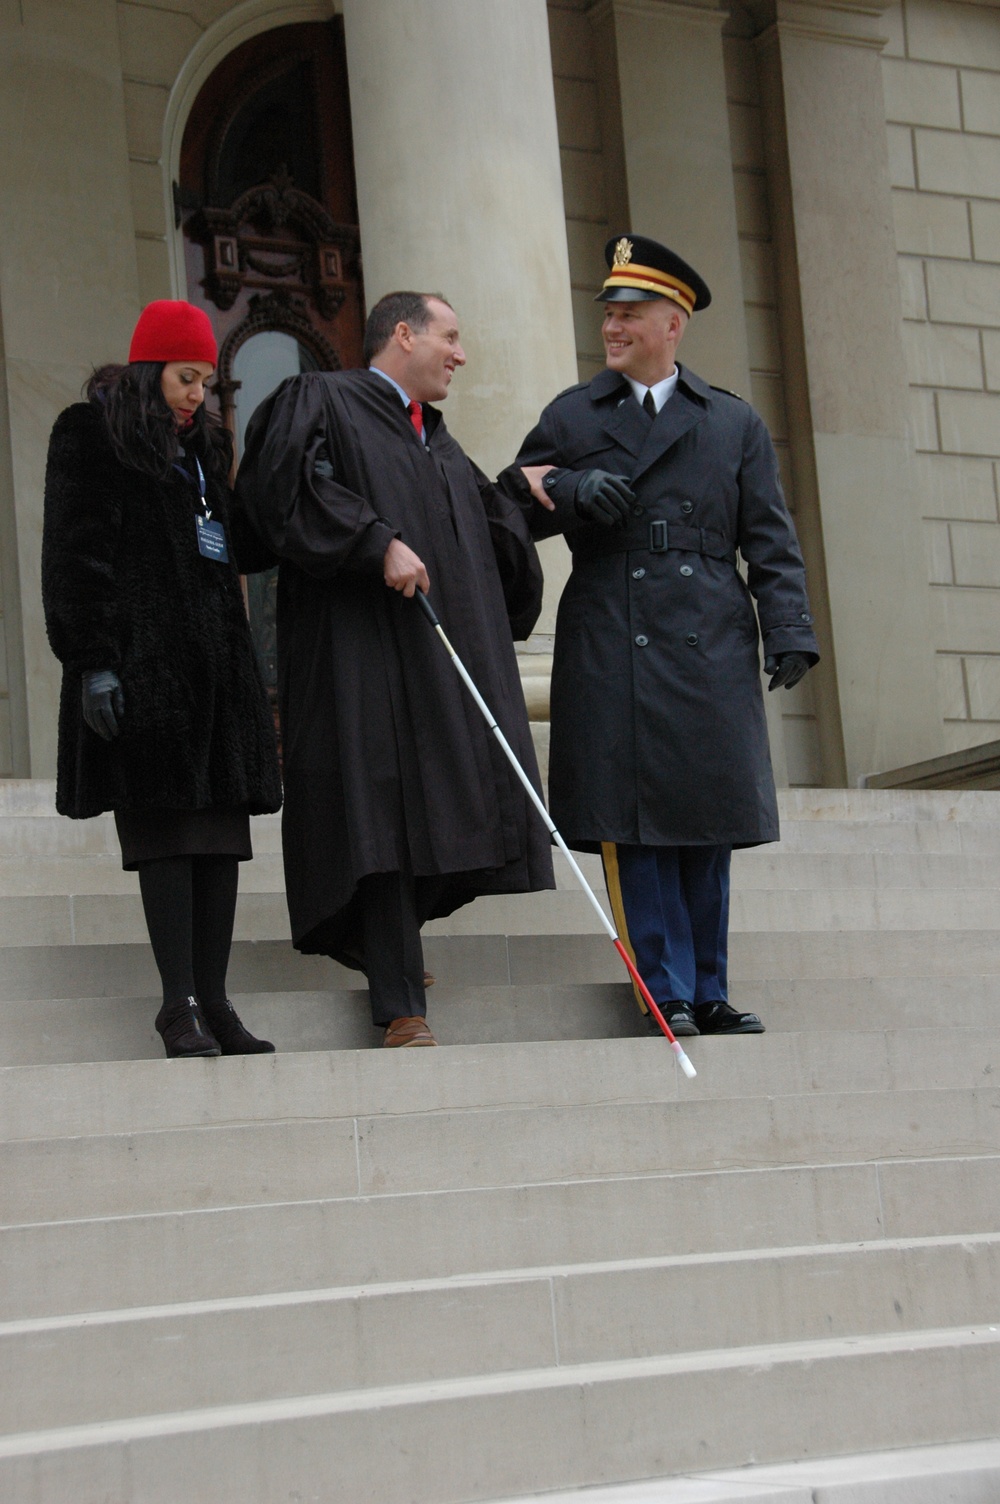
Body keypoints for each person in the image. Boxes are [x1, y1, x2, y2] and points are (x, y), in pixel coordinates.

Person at [510, 235, 819, 1038]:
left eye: (629, 314)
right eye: (609, 314)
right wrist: (574, 488)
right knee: (635, 826)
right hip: (615, 633)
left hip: (710, 632)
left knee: (704, 822)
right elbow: (512, 504)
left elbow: (771, 538)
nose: (612, 327)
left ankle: (709, 988)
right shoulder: (573, 415)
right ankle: (664, 987)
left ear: (673, 323)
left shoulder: (732, 422)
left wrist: (789, 628)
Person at [234, 291, 554, 1047]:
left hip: (430, 671)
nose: (462, 354)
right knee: (380, 822)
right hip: (357, 662)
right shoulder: (321, 400)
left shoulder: (437, 442)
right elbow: (285, 486)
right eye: (450, 335)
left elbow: (485, 526)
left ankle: (382, 949)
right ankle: (399, 1005)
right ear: (402, 334)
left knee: (437, 815)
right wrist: (373, 541)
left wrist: (537, 500)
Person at [42, 300, 283, 1059]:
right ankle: (176, 1004)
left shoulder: (205, 447)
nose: (196, 395)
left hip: (216, 675)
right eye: (186, 378)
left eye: (206, 382)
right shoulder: (92, 434)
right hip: (143, 671)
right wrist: (95, 662)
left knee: (220, 842)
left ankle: (215, 1001)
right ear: (151, 370)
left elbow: (235, 545)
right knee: (168, 838)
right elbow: (74, 557)